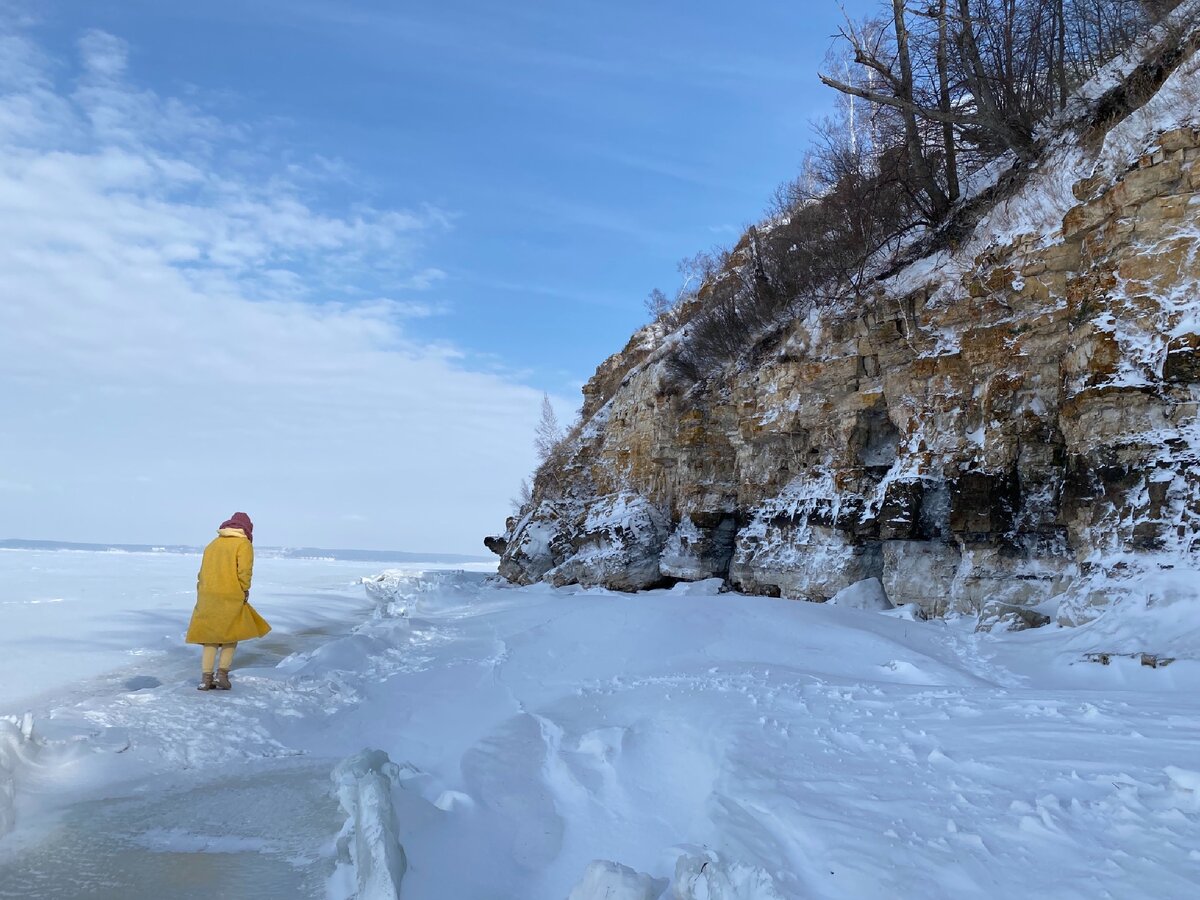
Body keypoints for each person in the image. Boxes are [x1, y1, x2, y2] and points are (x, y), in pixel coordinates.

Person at [186, 512, 271, 691]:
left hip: (207, 595)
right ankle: (222, 675)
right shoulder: (243, 544)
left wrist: (202, 591)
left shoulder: (213, 545)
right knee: (231, 635)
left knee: (210, 637)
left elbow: (201, 573)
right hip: (230, 594)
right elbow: (245, 571)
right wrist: (244, 589)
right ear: (246, 528)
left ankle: (205, 678)